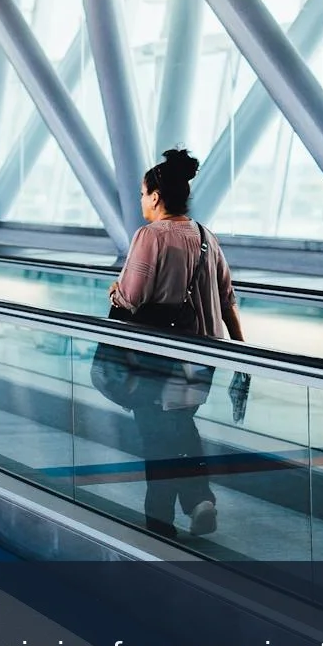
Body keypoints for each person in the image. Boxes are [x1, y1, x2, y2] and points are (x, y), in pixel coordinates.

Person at [104, 148, 246, 539]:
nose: (141, 201)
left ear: (155, 196)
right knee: (180, 425)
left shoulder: (149, 236)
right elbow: (228, 299)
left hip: (157, 357)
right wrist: (241, 350)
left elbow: (131, 298)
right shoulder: (205, 237)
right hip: (201, 356)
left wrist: (115, 290)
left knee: (156, 436)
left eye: (142, 193)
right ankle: (199, 499)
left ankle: (161, 525)